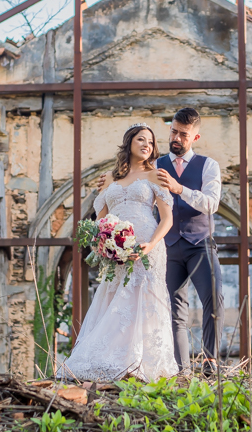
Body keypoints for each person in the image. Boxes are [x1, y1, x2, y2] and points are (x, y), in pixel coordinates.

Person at [61, 123, 178, 382]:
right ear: (129, 143)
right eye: (141, 139)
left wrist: (152, 245)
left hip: (146, 245)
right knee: (115, 298)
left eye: (150, 142)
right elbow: (98, 220)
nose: (147, 145)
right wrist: (100, 244)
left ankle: (141, 363)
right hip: (116, 249)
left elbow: (167, 219)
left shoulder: (155, 176)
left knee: (142, 297)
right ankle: (113, 360)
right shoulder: (109, 180)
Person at [154, 107, 224, 376]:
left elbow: (211, 204)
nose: (177, 138)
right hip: (168, 247)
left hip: (200, 244)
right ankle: (181, 372)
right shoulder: (156, 165)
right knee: (173, 313)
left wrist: (179, 189)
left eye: (183, 134)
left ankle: (210, 365)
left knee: (214, 300)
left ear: (195, 137)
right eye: (173, 131)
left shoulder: (209, 165)